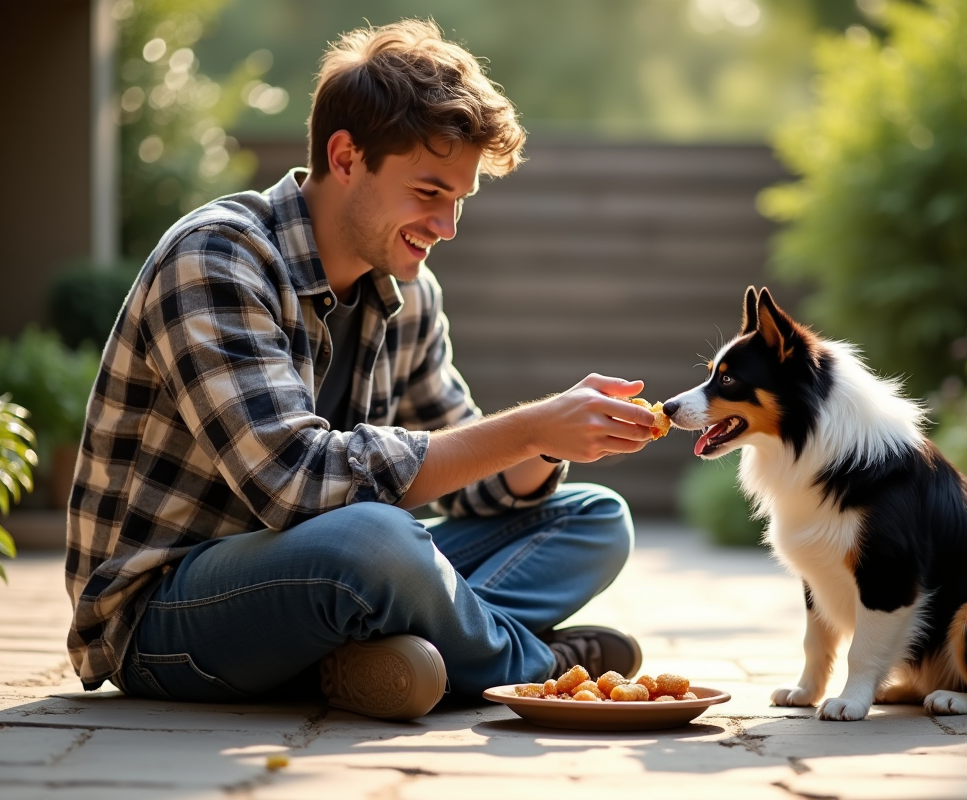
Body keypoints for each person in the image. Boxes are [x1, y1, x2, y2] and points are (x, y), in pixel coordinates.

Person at [64, 19, 656, 721]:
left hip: (324, 580)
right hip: (164, 612)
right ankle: (535, 667)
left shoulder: (407, 293)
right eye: (429, 192)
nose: (448, 227)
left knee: (592, 518)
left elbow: (472, 483)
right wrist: (526, 429)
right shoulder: (218, 256)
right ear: (346, 157)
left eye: (459, 201)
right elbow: (293, 485)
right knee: (376, 540)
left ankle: (393, 652)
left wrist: (550, 441)